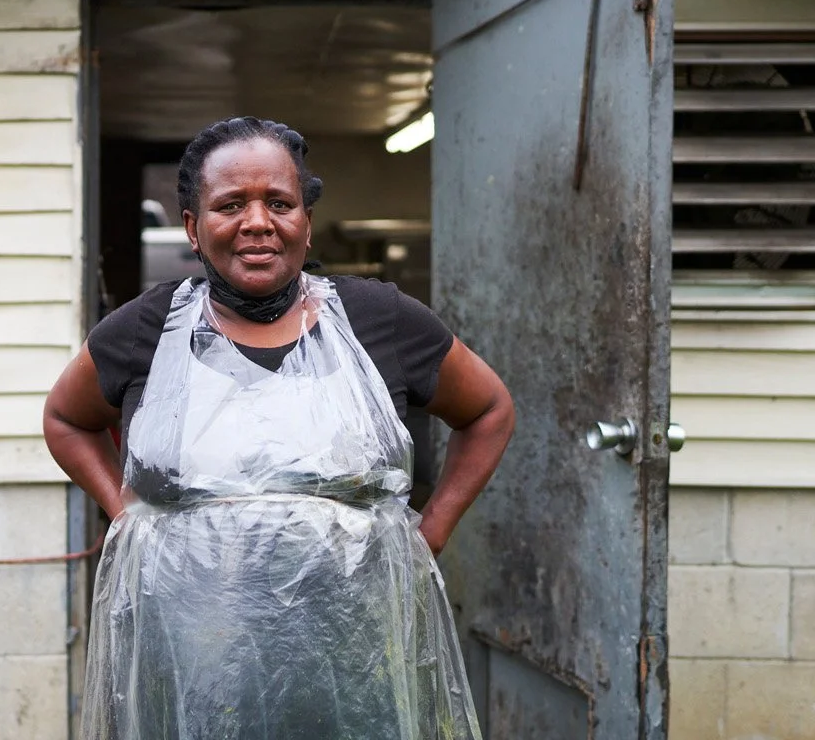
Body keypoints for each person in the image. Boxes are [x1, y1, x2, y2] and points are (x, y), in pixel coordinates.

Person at [43, 116, 515, 740]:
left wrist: (431, 532)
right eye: (230, 204)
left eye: (280, 203)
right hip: (188, 653)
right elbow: (65, 419)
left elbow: (488, 411)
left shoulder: (381, 320)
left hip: (356, 651)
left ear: (306, 220)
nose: (257, 222)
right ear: (193, 226)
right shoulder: (145, 331)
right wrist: (124, 514)